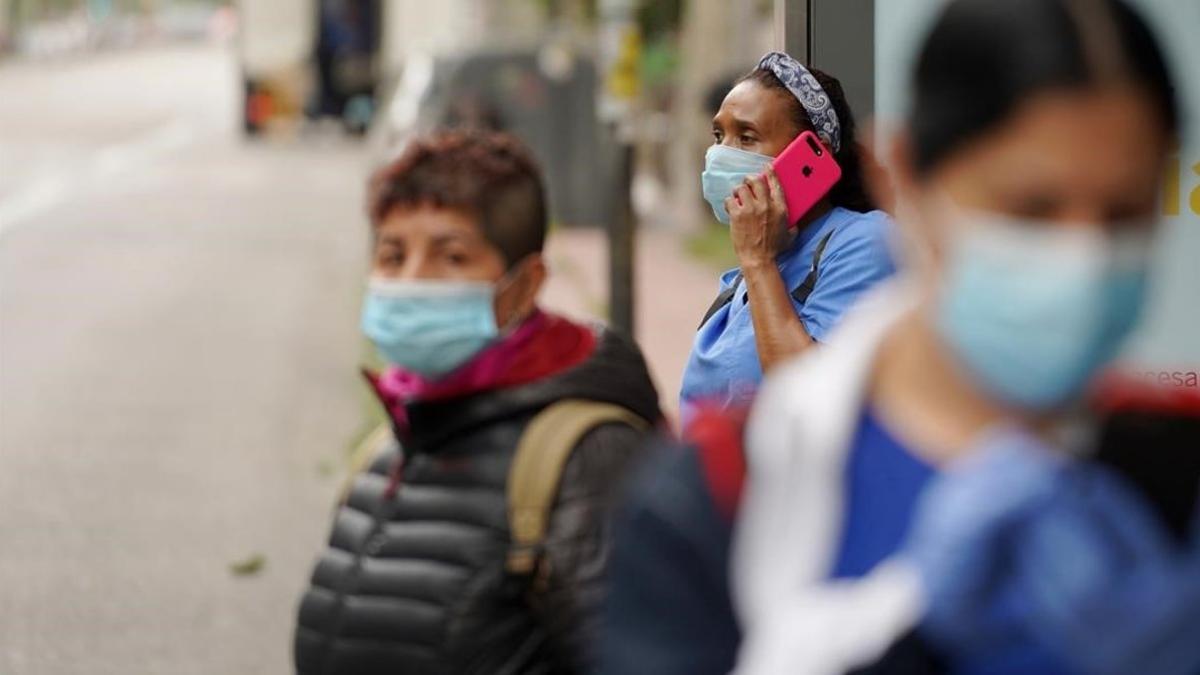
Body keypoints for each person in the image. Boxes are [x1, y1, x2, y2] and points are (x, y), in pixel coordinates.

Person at [602, 1, 1199, 673]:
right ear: (909, 174)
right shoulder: (714, 501)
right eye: (1031, 208)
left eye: (1125, 214)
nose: (1083, 258)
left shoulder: (1174, 478)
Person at [294, 131, 662, 675]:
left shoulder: (586, 455)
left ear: (525, 285)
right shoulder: (390, 445)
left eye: (451, 256)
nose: (411, 281)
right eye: (392, 255)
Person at [680, 52, 896, 416]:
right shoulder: (748, 273)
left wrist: (758, 261)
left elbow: (807, 393)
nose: (720, 154)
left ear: (811, 158)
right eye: (718, 135)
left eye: (746, 137)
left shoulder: (866, 241)